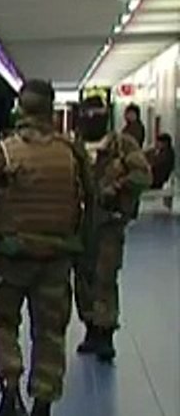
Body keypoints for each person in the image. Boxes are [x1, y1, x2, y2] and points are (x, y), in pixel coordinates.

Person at [0, 79, 94, 416]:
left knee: (3, 325)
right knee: (50, 333)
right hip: (57, 260)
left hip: (11, 259)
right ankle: (42, 415)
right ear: (50, 110)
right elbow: (92, 202)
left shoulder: (4, 151)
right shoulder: (72, 152)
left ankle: (10, 395)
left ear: (22, 109)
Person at [73, 96, 153, 362]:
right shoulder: (73, 147)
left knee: (105, 276)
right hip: (79, 224)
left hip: (109, 222)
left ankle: (106, 332)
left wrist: (116, 188)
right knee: (83, 277)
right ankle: (90, 327)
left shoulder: (123, 145)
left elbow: (144, 175)